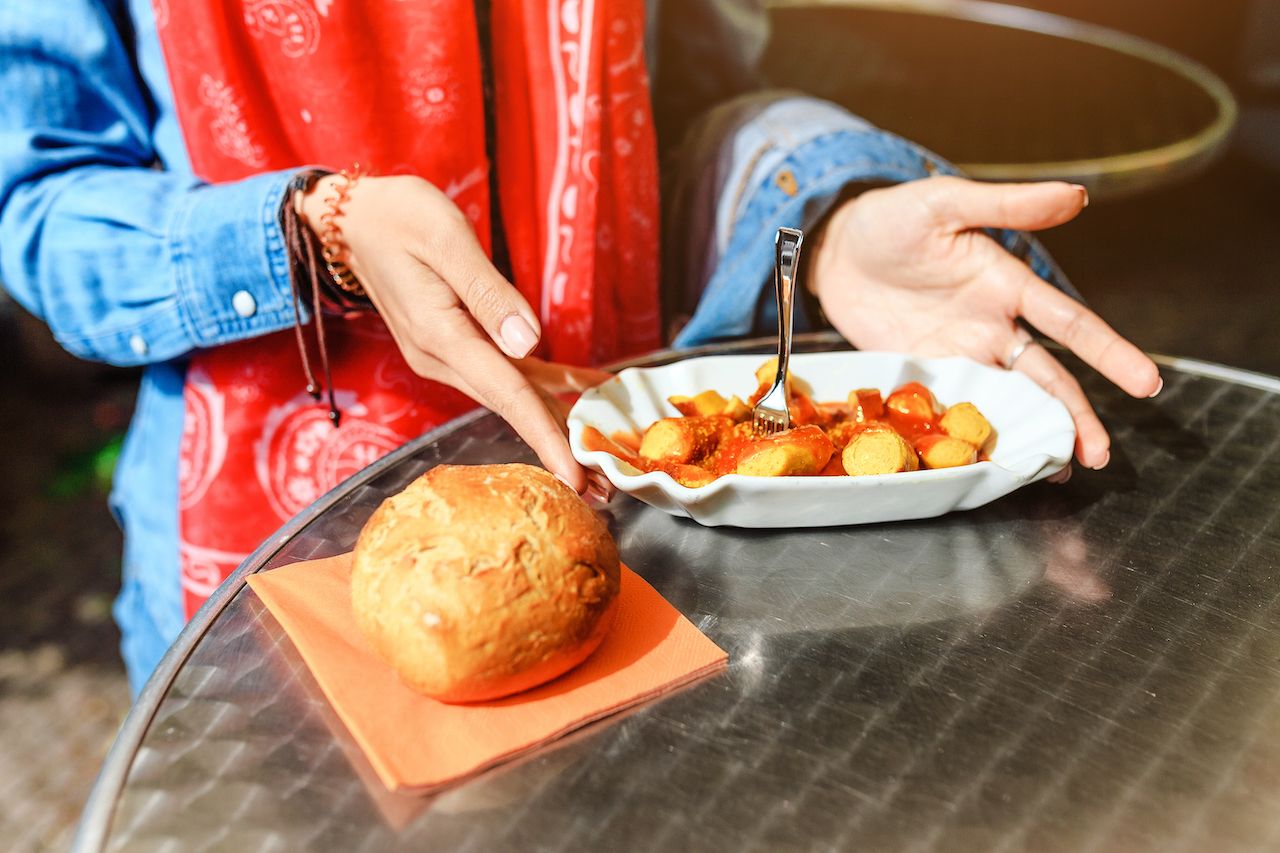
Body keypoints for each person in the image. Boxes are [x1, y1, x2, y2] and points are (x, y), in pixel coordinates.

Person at [0, 0, 1159, 695]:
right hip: (265, 585)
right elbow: (38, 211)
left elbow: (694, 104)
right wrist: (313, 234)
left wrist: (823, 216)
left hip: (630, 535)